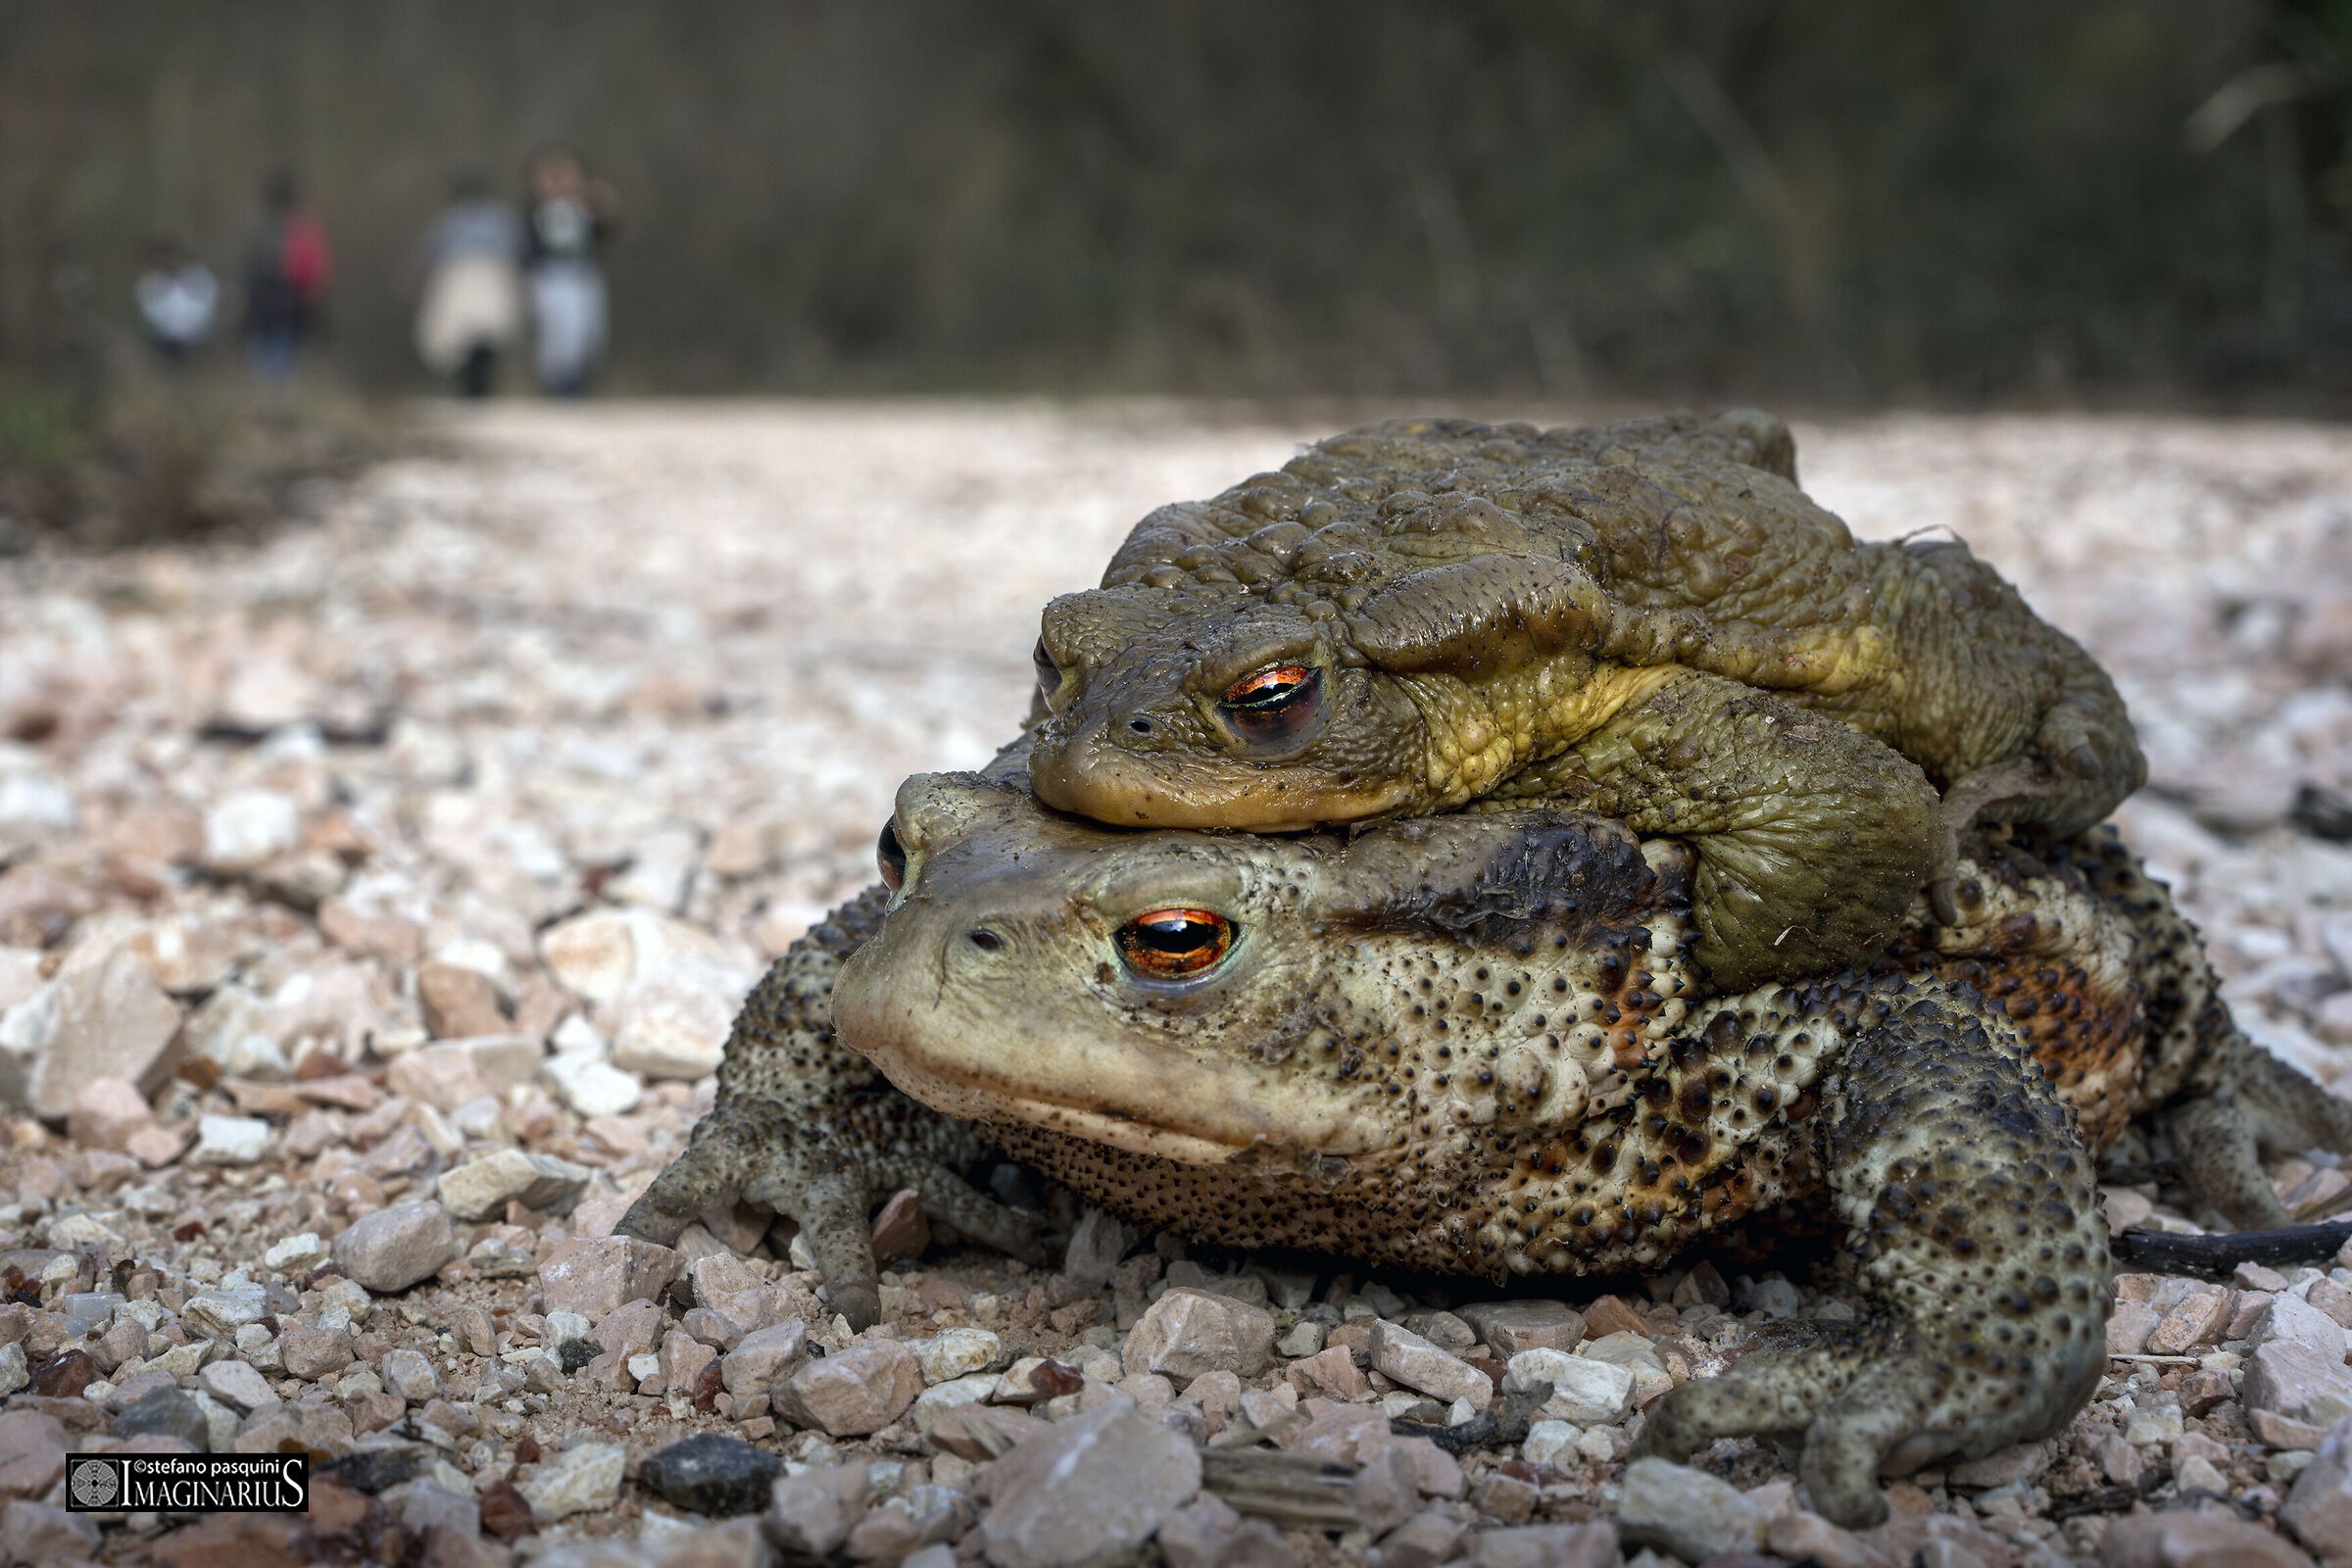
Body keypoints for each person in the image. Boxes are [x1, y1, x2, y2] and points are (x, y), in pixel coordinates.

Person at [416, 172, 524, 397]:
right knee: (477, 338)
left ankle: (474, 388)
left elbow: (431, 254)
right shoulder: (499, 219)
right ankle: (475, 387)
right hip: (475, 279)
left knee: (471, 337)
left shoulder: (453, 220)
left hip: (472, 279)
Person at [522, 149, 617, 397]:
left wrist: (605, 210)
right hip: (548, 278)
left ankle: (579, 385)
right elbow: (526, 249)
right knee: (554, 337)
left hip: (582, 275)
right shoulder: (534, 213)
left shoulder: (587, 209)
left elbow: (606, 235)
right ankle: (557, 388)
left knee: (587, 334)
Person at [241, 170, 330, 382]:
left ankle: (271, 391)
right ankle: (274, 392)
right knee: (278, 345)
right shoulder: (299, 226)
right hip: (283, 294)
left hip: (278, 295)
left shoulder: (265, 225)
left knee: (272, 345)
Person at [133, 239, 219, 362]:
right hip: (164, 340)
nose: (171, 262)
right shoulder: (150, 282)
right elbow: (149, 313)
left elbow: (209, 302)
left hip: (197, 337)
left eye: (174, 258)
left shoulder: (198, 276)